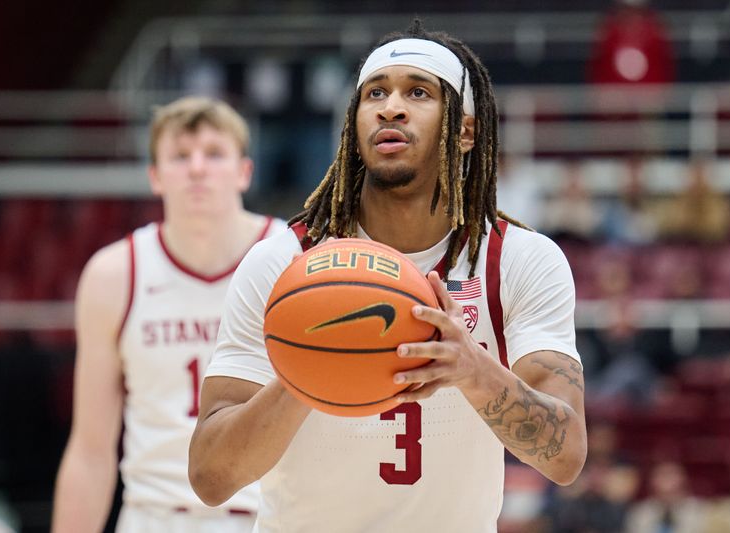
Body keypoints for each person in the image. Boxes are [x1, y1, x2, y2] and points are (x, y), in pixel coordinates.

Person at [189, 21, 587, 532]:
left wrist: (473, 369)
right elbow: (210, 476)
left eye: (417, 92)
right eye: (375, 93)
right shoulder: (281, 263)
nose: (390, 107)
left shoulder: (520, 261)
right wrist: (304, 373)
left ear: (465, 131)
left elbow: (565, 455)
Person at [52, 96, 283, 533]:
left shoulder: (291, 260)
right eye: (180, 156)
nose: (197, 168)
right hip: (154, 517)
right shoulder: (114, 273)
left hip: (265, 517)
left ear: (244, 172)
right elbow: (90, 450)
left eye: (214, 153)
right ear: (155, 177)